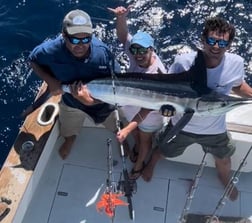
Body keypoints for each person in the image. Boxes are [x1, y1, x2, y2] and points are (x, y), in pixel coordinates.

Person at [142, 16, 252, 201]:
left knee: (224, 158)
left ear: (229, 45)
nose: (216, 46)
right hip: (181, 126)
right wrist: (166, 109)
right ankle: (151, 163)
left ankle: (224, 178)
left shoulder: (236, 64)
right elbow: (168, 92)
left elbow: (236, 85)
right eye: (211, 40)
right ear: (203, 40)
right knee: (163, 150)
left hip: (215, 129)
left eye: (222, 42)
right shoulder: (183, 62)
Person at [29, 9, 120, 159]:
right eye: (75, 40)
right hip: (71, 102)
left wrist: (90, 102)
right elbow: (33, 60)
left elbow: (116, 87)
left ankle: (120, 137)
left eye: (86, 39)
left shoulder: (103, 53)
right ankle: (70, 139)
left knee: (117, 127)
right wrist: (50, 81)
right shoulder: (50, 49)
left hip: (102, 103)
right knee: (68, 128)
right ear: (64, 35)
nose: (81, 45)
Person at [108, 5, 167, 179]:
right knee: (136, 134)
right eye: (135, 50)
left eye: (142, 50)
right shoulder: (136, 53)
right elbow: (123, 36)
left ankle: (139, 165)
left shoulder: (156, 75)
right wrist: (121, 18)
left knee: (145, 140)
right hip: (132, 105)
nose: (138, 54)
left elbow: (147, 110)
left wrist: (126, 130)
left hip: (150, 115)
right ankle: (135, 145)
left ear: (151, 50)